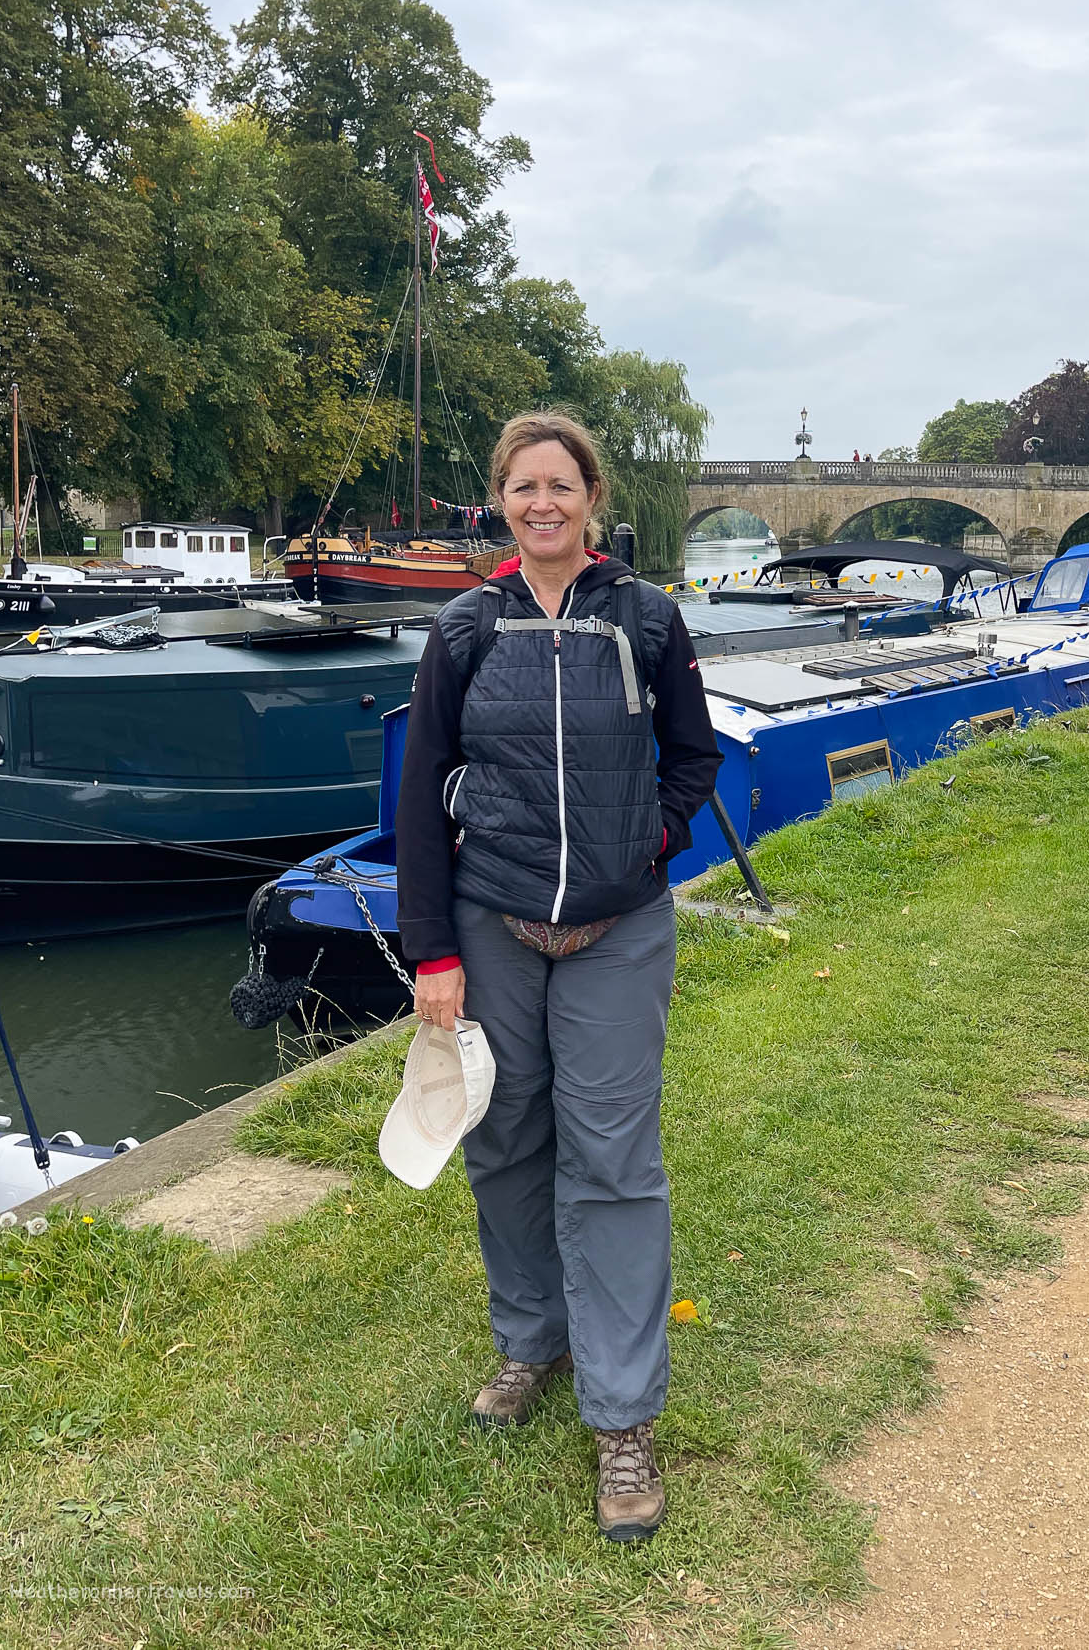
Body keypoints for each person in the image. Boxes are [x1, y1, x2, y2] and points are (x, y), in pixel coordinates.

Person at [395, 411, 722, 1544]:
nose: (543, 503)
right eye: (524, 486)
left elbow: (695, 756)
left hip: (617, 930)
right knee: (507, 1138)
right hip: (492, 927)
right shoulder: (464, 630)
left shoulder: (645, 617)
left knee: (613, 1159)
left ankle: (623, 1416)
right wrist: (432, 952)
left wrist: (647, 845)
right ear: (501, 499)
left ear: (591, 498)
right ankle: (531, 1339)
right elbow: (420, 798)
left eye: (562, 486)